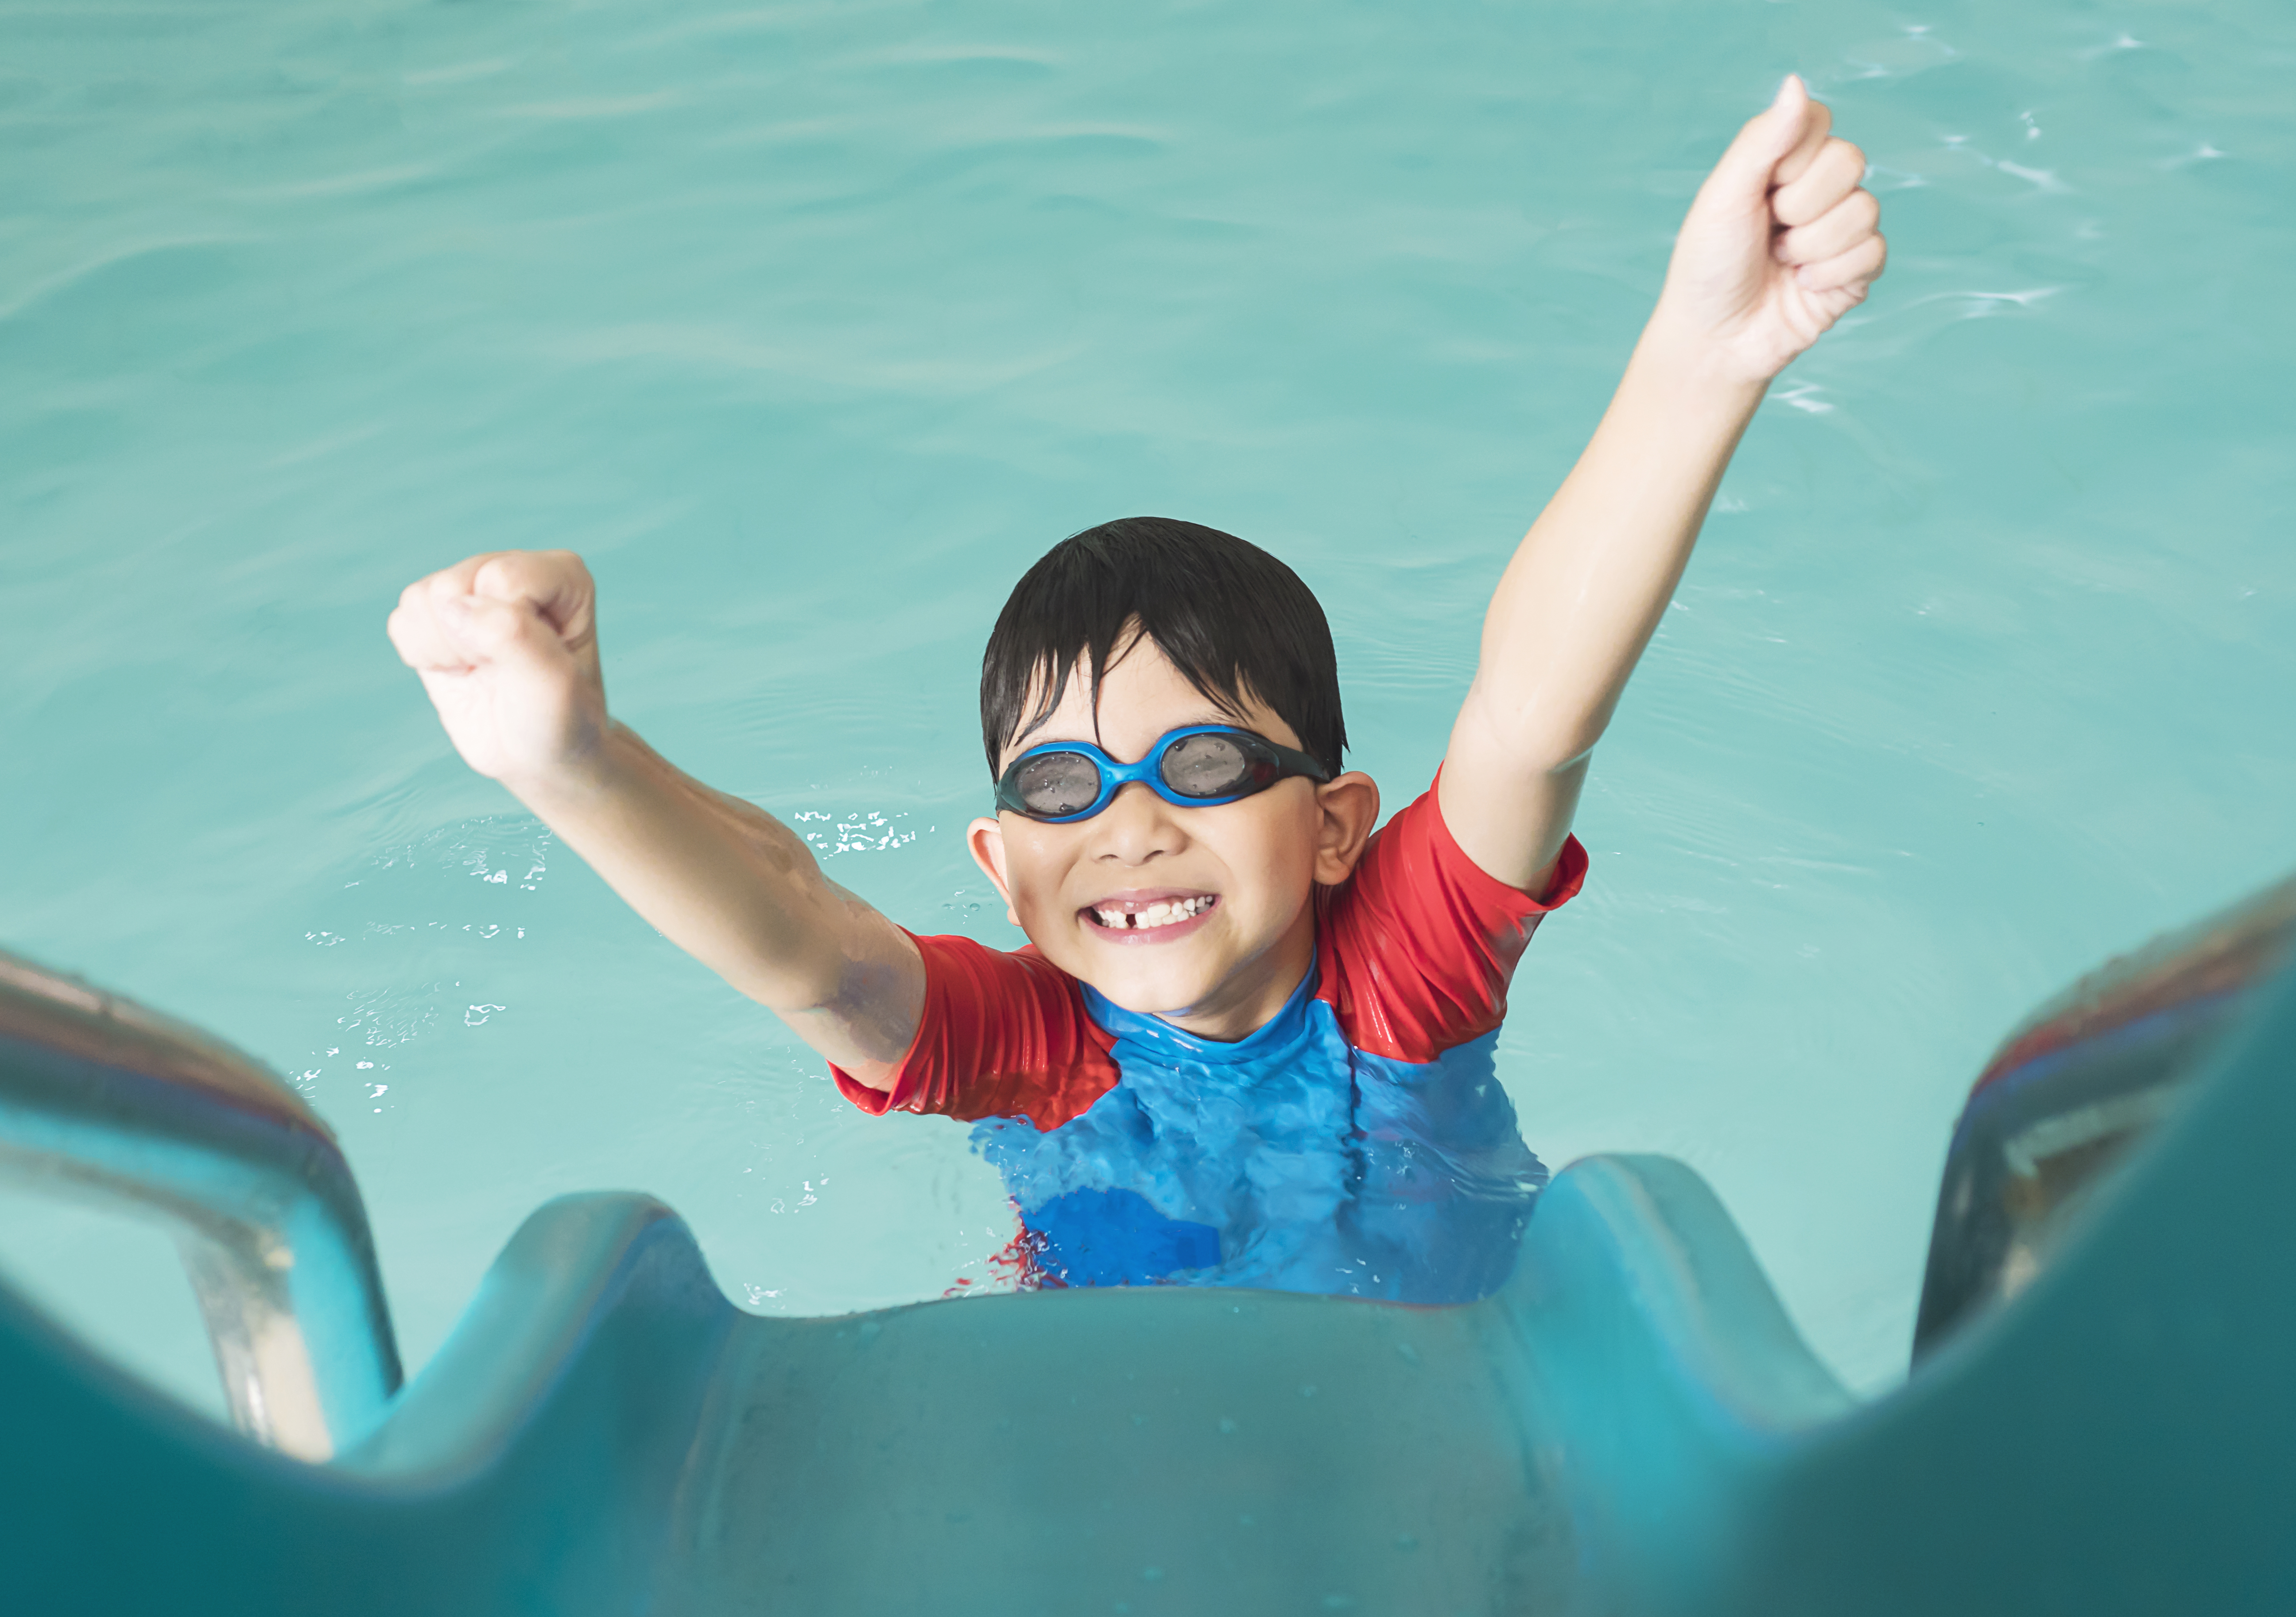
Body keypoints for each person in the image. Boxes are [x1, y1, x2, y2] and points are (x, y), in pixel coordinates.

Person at [387, 76, 1885, 1302]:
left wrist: (1705, 360)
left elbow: (1530, 712)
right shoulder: (1035, 1047)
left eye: (1207, 764)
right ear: (1004, 865)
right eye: (1058, 787)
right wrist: (571, 762)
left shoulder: (1403, 981)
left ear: (1335, 823)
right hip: (1121, 1423)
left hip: (1456, 1402)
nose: (1128, 825)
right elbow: (807, 940)